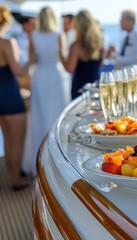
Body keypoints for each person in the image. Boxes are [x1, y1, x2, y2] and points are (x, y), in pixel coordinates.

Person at [22, 6, 71, 175]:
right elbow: (63, 59)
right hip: (56, 77)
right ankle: (58, 159)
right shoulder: (59, 35)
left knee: (39, 116)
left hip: (40, 76)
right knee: (57, 115)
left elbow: (32, 59)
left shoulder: (33, 36)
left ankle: (39, 160)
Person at [0, 6, 34, 190]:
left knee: (6, 138)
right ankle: (15, 180)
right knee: (17, 140)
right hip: (9, 94)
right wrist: (31, 59)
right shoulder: (7, 42)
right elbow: (17, 71)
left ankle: (9, 169)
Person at [62, 10, 104, 99]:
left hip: (80, 89)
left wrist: (61, 56)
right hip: (96, 86)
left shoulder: (76, 46)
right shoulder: (100, 43)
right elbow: (100, 65)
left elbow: (70, 69)